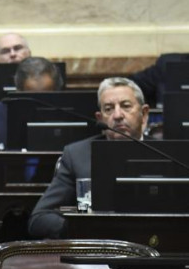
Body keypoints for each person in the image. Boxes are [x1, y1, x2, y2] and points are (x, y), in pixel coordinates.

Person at [28, 77, 150, 238]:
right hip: (95, 251)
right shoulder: (78, 155)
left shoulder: (166, 154)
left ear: (144, 114)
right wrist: (81, 228)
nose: (118, 115)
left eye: (126, 106)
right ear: (100, 119)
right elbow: (40, 218)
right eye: (109, 109)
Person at [0, 57, 63, 193]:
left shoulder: (69, 115)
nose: (37, 107)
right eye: (31, 99)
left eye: (45, 98)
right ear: (18, 91)